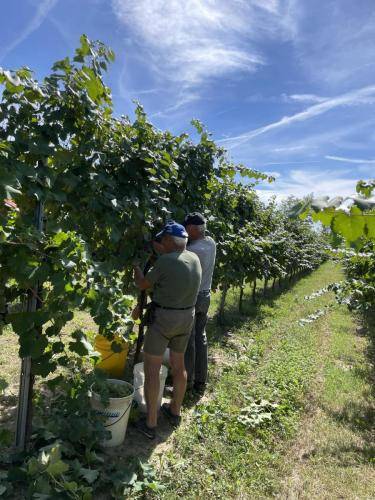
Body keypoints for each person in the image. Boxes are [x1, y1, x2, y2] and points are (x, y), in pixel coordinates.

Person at [133, 221, 202, 439]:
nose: (160, 244)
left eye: (163, 240)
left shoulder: (165, 262)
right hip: (187, 317)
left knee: (151, 368)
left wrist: (135, 267)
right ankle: (174, 411)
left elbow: (143, 284)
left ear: (171, 241)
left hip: (164, 318)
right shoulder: (195, 259)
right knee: (178, 364)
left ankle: (151, 424)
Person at [184, 213, 216, 395]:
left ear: (194, 230)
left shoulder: (192, 250)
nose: (185, 233)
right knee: (200, 337)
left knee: (189, 340)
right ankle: (201, 381)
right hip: (205, 296)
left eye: (187, 229)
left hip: (193, 298)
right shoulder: (211, 242)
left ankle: (187, 382)